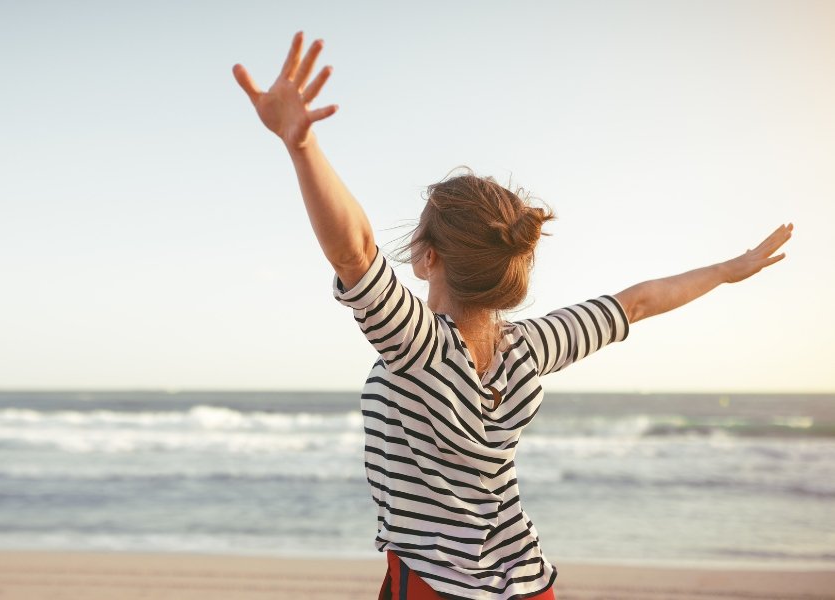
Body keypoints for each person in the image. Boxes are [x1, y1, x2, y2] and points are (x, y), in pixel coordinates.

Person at [232, 31, 793, 600]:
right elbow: (637, 303)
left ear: (429, 259)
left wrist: (302, 148)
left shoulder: (418, 346)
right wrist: (726, 270)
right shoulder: (531, 348)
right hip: (527, 582)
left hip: (434, 587)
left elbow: (354, 251)